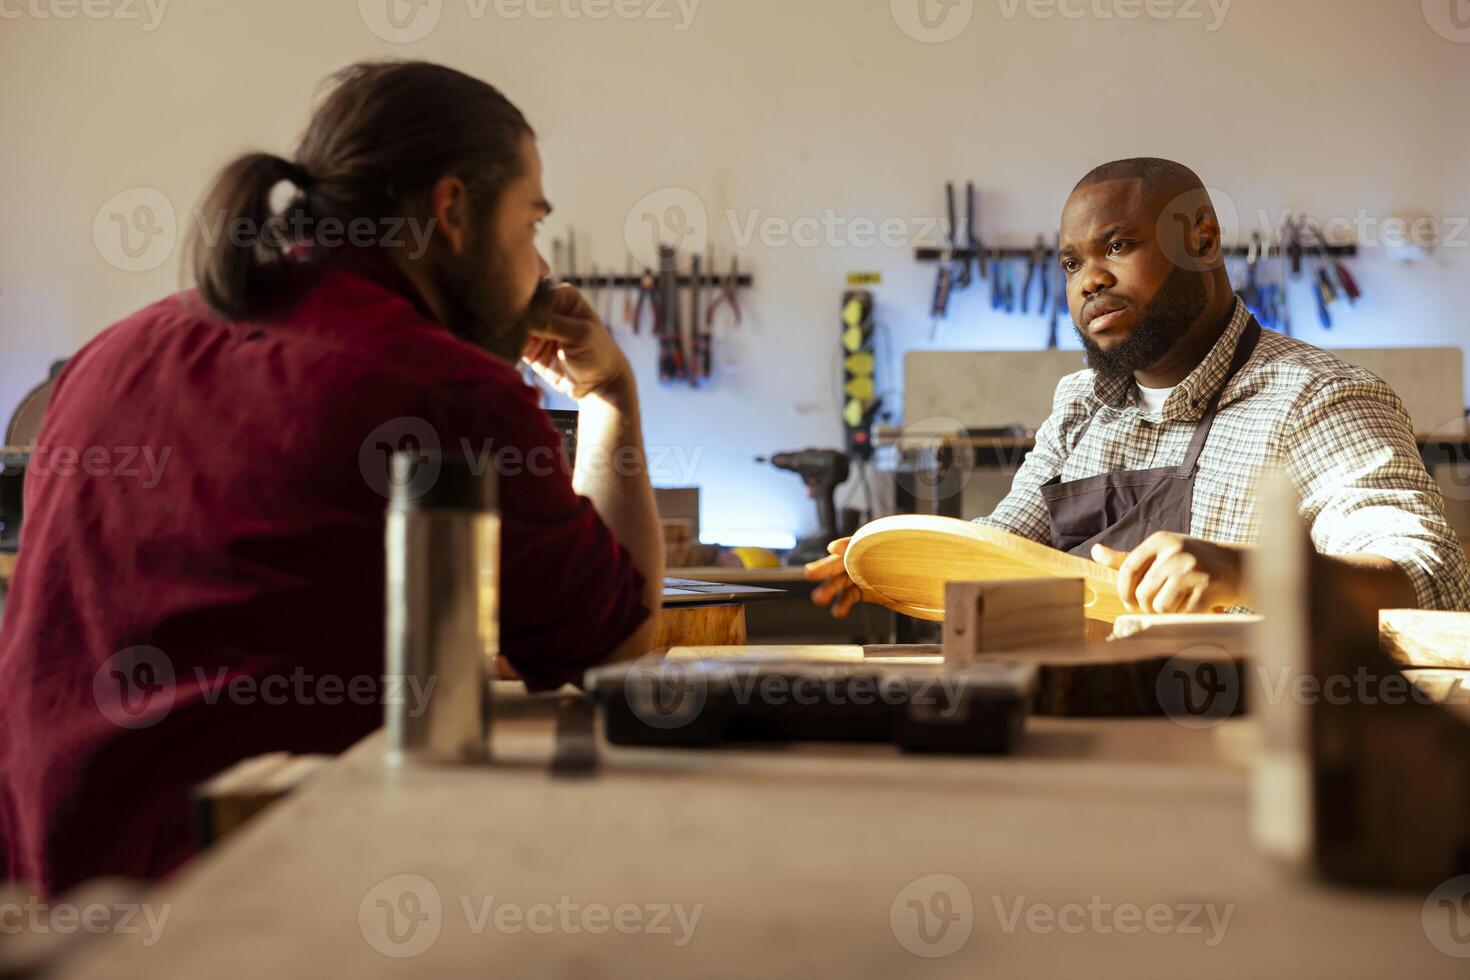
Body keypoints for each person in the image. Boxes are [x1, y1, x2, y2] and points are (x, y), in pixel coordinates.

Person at [0, 61, 663, 894]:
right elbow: (612, 648)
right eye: (531, 224)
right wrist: (609, 394)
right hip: (251, 910)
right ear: (452, 211)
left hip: (48, 904)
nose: (539, 267)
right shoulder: (446, 389)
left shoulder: (112, 353)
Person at [810, 158, 1470, 618]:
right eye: (1071, 263)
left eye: (1118, 245)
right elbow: (1002, 553)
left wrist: (1248, 574)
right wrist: (895, 563)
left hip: (1228, 743)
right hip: (1069, 730)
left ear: (1202, 240)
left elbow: (1433, 579)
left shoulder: (1318, 399)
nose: (1088, 280)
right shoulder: (1081, 406)